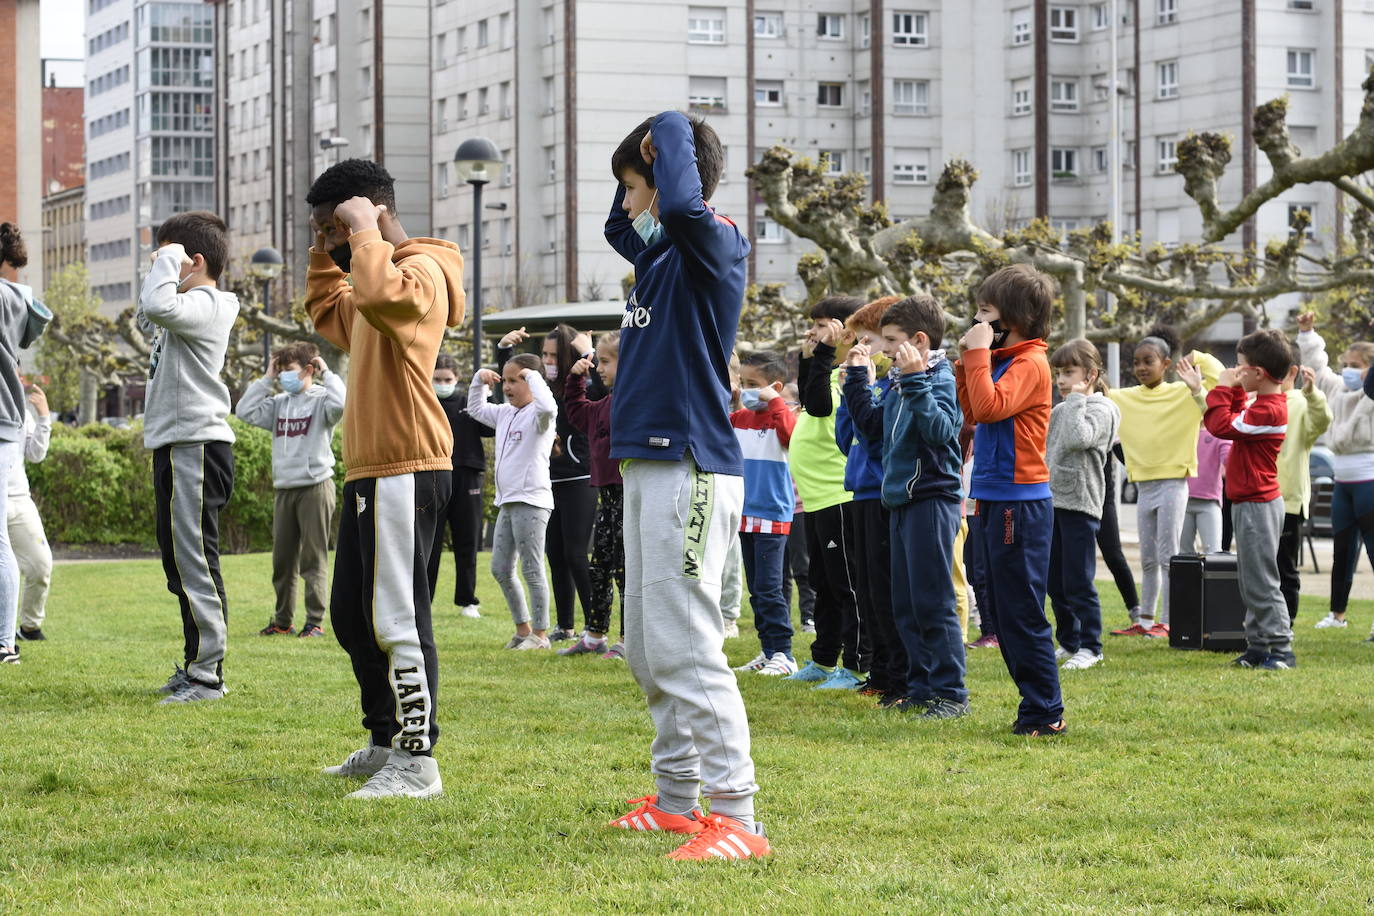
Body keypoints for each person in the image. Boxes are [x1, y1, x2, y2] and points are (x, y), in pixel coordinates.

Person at [603, 110, 770, 860]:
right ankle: (677, 802)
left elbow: (676, 203)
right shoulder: (662, 256)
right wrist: (630, 171)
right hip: (648, 461)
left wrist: (666, 129)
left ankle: (738, 816)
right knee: (646, 644)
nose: (631, 203)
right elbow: (622, 230)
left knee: (686, 643)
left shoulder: (713, 243)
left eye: (635, 185)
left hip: (692, 463)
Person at [305, 159, 464, 798]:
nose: (334, 240)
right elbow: (334, 312)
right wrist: (324, 253)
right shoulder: (372, 273)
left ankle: (418, 761)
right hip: (372, 468)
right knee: (350, 615)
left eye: (333, 226)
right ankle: (383, 739)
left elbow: (377, 295)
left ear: (366, 214)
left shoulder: (420, 272)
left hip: (408, 464)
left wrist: (367, 229)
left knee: (398, 617)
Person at [955, 264, 1063, 737]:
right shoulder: (1001, 359)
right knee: (1001, 607)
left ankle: (1045, 711)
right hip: (996, 497)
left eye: (984, 312)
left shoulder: (1030, 363)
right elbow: (972, 408)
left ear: (1012, 318)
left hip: (1020, 501)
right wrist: (967, 363)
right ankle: (1034, 705)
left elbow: (990, 407)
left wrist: (977, 357)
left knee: (1021, 609)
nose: (977, 320)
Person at [136, 212, 238, 702]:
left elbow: (155, 306)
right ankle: (196, 665)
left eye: (167, 254)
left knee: (195, 562)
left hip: (195, 445)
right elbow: (145, 311)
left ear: (194, 261)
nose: (158, 263)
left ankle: (207, 677)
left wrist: (170, 261)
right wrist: (165, 261)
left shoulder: (208, 302)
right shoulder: (185, 303)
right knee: (179, 563)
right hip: (178, 444)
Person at [857, 294, 967, 718]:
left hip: (931, 499)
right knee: (905, 603)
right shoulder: (902, 379)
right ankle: (921, 687)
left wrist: (918, 380)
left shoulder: (937, 378)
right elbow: (875, 430)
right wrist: (856, 382)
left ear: (920, 341)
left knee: (933, 601)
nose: (884, 349)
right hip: (901, 500)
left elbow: (941, 431)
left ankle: (951, 693)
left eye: (892, 340)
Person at [1106, 326, 1221, 637]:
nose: (1141, 368)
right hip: (1144, 487)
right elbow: (1099, 393)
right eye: (1137, 362)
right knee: (1147, 558)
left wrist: (1193, 358)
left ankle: (1167, 622)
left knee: (1169, 556)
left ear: (1167, 363)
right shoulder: (1125, 397)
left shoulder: (1185, 392)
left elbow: (1218, 382)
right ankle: (1144, 621)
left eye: (1149, 361)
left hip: (1173, 484)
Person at [235, 342, 346, 639]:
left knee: (313, 558)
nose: (284, 376)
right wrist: (267, 378)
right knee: (282, 561)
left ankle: (315, 621)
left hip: (315, 487)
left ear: (308, 370)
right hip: (284, 488)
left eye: (289, 371)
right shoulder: (278, 404)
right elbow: (244, 410)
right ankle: (283, 621)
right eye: (281, 371)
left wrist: (327, 373)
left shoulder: (322, 400)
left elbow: (342, 405)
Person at [497, 323, 598, 642]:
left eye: (554, 355)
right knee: (554, 554)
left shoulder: (579, 384)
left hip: (580, 477)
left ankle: (596, 625)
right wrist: (505, 352)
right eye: (544, 354)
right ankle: (565, 626)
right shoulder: (543, 387)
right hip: (547, 481)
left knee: (575, 553)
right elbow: (517, 382)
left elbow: (601, 391)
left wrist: (588, 355)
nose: (548, 360)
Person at [1204, 329, 1293, 669]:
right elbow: (1238, 420)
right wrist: (1238, 392)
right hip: (1249, 502)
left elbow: (1221, 426)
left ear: (1258, 372)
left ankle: (1280, 648)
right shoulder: (1262, 405)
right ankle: (1258, 647)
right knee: (1250, 580)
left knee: (1262, 582)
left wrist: (1224, 387)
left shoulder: (1270, 411)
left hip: (1258, 504)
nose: (1235, 371)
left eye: (1240, 367)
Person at [789, 296, 864, 689]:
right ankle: (823, 659)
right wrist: (810, 359)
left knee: (846, 586)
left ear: (844, 332)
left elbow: (817, 407)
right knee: (823, 582)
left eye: (820, 326)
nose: (812, 332)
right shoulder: (829, 373)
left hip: (839, 497)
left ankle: (855, 667)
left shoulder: (849, 377)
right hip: (818, 499)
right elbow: (808, 396)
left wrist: (821, 355)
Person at [838, 295, 909, 703]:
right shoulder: (867, 385)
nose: (863, 350)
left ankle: (896, 674)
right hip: (860, 490)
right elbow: (846, 438)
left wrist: (861, 385)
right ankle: (880, 672)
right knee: (867, 590)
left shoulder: (890, 388)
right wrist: (852, 387)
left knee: (885, 589)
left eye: (871, 341)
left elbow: (875, 436)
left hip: (884, 492)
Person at [467, 354, 558, 650]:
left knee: (532, 569)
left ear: (531, 379)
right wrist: (479, 381)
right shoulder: (505, 413)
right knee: (500, 568)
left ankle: (541, 636)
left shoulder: (539, 416)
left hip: (532, 501)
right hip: (508, 501)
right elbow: (476, 408)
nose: (507, 386)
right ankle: (523, 630)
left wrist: (533, 376)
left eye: (514, 380)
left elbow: (549, 406)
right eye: (504, 380)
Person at [1296, 311, 1374, 633]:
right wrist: (1307, 332)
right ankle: (1336, 615)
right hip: (1343, 483)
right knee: (1342, 552)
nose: (1349, 371)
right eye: (1348, 364)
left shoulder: (1370, 395)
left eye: (1357, 366)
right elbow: (1317, 364)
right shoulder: (1339, 390)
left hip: (1370, 481)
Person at [1046, 340, 1120, 671]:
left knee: (1078, 578)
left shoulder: (1103, 409)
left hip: (1081, 503)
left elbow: (1080, 439)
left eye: (1068, 372)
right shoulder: (1061, 409)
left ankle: (1092, 645)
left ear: (1090, 374)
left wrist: (1076, 399)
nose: (1061, 380)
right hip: (1053, 501)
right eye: (1058, 373)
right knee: (1054, 580)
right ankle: (1069, 641)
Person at [729, 350, 799, 676]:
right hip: (745, 514)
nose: (746, 390)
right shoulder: (740, 419)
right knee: (756, 590)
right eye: (743, 383)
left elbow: (791, 437)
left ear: (775, 385)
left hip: (773, 515)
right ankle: (767, 650)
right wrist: (731, 399)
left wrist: (776, 403)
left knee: (771, 589)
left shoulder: (783, 417)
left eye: (753, 384)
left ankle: (784, 654)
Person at [560, 331, 626, 658]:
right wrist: (574, 383)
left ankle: (629, 639)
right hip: (608, 495)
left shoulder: (636, 403)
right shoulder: (605, 405)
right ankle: (594, 634)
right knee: (600, 566)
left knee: (627, 569)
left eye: (606, 361)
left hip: (631, 495)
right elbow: (579, 413)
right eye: (598, 360)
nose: (599, 367)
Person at [0, 224, 49, 665]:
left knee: (4, 546)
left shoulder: (7, 295)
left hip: (2, 431)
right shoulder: (17, 298)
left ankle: (6, 642)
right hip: (6, 426)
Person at [427, 353, 493, 619]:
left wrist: (488, 393)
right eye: (437, 379)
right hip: (431, 475)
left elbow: (490, 427)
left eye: (447, 379)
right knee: (428, 542)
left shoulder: (470, 402)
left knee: (467, 540)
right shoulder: (424, 402)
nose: (442, 383)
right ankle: (423, 598)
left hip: (466, 476)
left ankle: (468, 600)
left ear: (457, 379)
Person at [1278, 358, 1330, 623]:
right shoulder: (1253, 402)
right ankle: (1261, 625)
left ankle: (1286, 626)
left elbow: (1322, 421)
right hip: (1255, 500)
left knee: (1284, 568)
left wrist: (1313, 393)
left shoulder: (1300, 402)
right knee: (1259, 570)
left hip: (1288, 501)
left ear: (1291, 372)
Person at [10, 384, 53, 644]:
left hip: (19, 500)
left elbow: (35, 455)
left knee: (40, 565)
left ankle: (29, 629)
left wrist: (43, 416)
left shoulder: (20, 412)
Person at [1180, 430, 1231, 554]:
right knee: (1183, 554)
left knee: (1213, 552)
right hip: (1182, 501)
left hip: (1209, 501)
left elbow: (1228, 458)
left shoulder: (1218, 432)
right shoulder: (1182, 428)